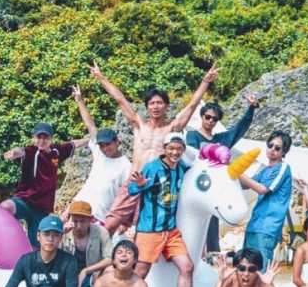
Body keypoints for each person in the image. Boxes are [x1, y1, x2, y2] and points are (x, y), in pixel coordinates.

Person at [87, 60, 218, 233]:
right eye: (152, 103)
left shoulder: (173, 129)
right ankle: (105, 259)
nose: (155, 107)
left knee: (145, 230)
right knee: (110, 225)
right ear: (147, 107)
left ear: (166, 106)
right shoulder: (138, 125)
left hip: (156, 184)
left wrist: (205, 81)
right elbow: (120, 99)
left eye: (159, 103)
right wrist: (100, 77)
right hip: (134, 180)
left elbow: (192, 105)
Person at [128, 132, 197, 287]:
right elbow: (132, 189)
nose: (175, 152)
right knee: (140, 274)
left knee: (187, 267)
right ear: (164, 148)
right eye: (171, 148)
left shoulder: (182, 168)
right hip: (150, 230)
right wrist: (138, 185)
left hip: (171, 230)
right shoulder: (152, 168)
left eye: (179, 148)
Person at [186, 94, 260, 255]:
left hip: (215, 188)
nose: (211, 121)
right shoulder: (192, 136)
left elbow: (239, 130)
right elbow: (192, 155)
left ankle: (212, 251)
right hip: (198, 185)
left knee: (213, 214)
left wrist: (252, 108)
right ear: (202, 116)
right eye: (208, 117)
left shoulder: (221, 139)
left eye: (215, 119)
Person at [0, 122, 89, 246]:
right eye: (39, 137)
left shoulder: (57, 152)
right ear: (33, 138)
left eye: (45, 137)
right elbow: (20, 151)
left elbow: (74, 144)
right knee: (5, 207)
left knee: (36, 246)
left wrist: (89, 139)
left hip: (42, 209)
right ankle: (11, 237)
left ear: (51, 139)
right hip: (24, 200)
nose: (42, 141)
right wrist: (13, 153)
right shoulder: (31, 151)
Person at [69, 84, 132, 230]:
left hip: (98, 216)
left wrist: (123, 222)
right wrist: (79, 101)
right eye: (101, 145)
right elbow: (90, 125)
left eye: (108, 144)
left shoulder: (126, 166)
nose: (104, 149)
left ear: (117, 142)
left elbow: (126, 197)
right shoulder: (98, 153)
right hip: (77, 205)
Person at [240, 130, 293, 269]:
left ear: (284, 152)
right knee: (247, 268)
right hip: (254, 224)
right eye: (270, 145)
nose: (272, 150)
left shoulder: (283, 168)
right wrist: (232, 170)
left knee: (261, 271)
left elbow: (262, 189)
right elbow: (245, 184)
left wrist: (238, 171)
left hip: (268, 227)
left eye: (277, 148)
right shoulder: (265, 170)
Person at [62, 199, 113, 287]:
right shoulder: (62, 232)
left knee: (111, 270)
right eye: (75, 221)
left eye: (83, 221)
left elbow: (109, 258)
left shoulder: (101, 232)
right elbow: (48, 254)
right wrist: (60, 235)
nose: (79, 226)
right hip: (67, 275)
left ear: (91, 219)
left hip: (92, 274)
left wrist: (85, 271)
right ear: (70, 218)